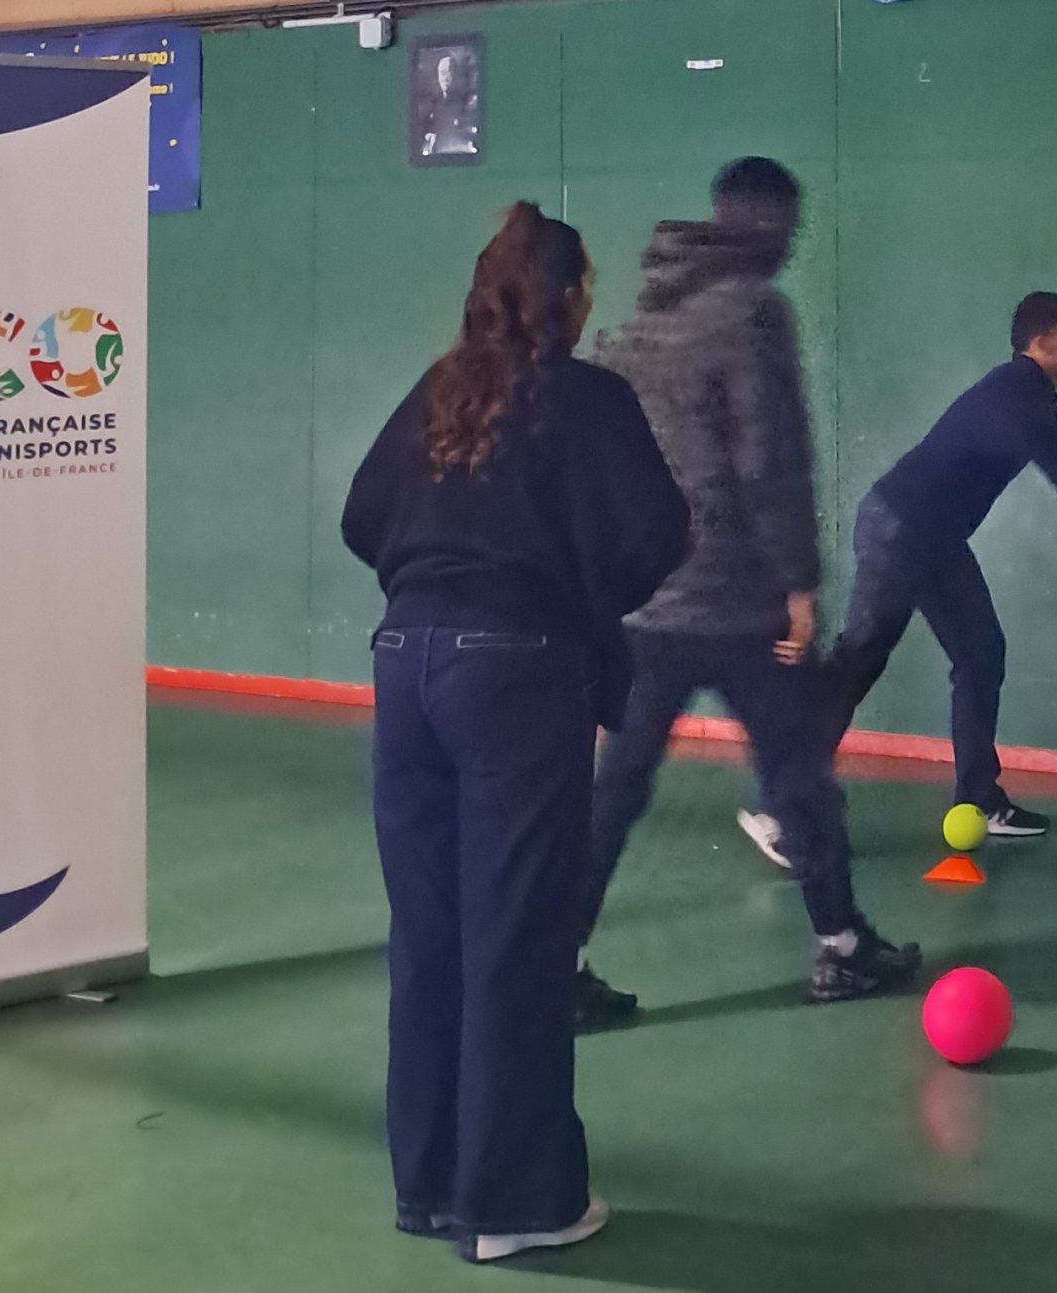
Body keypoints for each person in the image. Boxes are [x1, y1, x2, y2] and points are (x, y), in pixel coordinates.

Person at [340, 202, 687, 1262]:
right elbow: (657, 534)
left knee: (431, 937)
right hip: (517, 676)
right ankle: (515, 1203)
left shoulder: (439, 389)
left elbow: (364, 515)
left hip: (404, 670)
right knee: (516, 943)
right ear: (569, 297)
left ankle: (430, 1184)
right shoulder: (588, 399)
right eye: (589, 284)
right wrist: (574, 595)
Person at [580, 157, 920, 1021]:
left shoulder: (647, 316)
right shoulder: (753, 313)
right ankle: (841, 949)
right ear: (764, 222)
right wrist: (799, 583)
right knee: (799, 774)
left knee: (615, 789)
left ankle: (553, 961)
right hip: (738, 601)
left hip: (647, 602)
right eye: (787, 228)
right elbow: (770, 459)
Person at [743, 291, 1057, 850]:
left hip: (930, 536)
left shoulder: (1027, 393)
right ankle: (782, 812)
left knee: (979, 653)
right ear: (1042, 344)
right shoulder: (1018, 395)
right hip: (902, 530)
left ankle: (979, 797)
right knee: (857, 664)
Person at [418, 52, 481, 159]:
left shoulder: (469, 106)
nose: (445, 78)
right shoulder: (431, 108)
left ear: (457, 76)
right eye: (442, 73)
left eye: (450, 72)